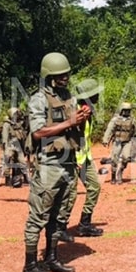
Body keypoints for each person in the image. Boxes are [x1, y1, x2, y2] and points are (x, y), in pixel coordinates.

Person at [21, 52, 89, 272]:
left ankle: (51, 258)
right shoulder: (38, 99)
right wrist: (69, 122)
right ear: (48, 76)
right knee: (38, 216)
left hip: (68, 162)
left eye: (67, 74)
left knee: (58, 216)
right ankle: (30, 265)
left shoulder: (69, 97)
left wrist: (81, 117)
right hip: (49, 165)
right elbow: (38, 132)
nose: (65, 78)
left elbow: (73, 127)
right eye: (60, 75)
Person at [57, 77, 105, 239]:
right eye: (96, 94)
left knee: (94, 187)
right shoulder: (73, 110)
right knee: (70, 194)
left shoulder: (88, 109)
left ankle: (84, 224)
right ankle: (60, 227)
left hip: (85, 157)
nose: (98, 96)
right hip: (72, 157)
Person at [102, 101, 136, 184]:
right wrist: (105, 139)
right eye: (125, 110)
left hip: (127, 141)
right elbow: (109, 129)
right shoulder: (116, 120)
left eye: (128, 110)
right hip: (117, 141)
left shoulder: (132, 120)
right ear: (121, 110)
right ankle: (113, 176)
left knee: (126, 158)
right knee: (114, 159)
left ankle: (120, 172)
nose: (127, 112)